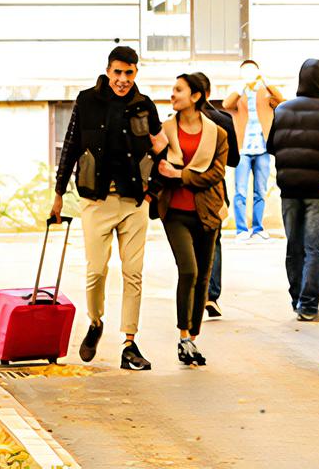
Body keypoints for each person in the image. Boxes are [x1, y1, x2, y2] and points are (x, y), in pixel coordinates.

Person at [50, 44, 160, 370]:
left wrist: (153, 189)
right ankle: (95, 322)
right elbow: (70, 147)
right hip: (96, 201)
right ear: (108, 71)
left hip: (133, 202)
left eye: (129, 73)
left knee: (133, 273)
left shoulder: (144, 106)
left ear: (136, 73)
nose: (123, 79)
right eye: (118, 72)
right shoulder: (88, 101)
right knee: (96, 271)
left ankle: (129, 342)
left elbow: (160, 149)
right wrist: (58, 194)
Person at [150, 72, 229, 368]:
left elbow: (216, 173)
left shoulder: (216, 133)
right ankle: (183, 336)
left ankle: (193, 336)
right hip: (175, 212)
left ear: (195, 96)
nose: (173, 94)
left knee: (204, 277)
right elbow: (155, 165)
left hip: (206, 212)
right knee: (189, 270)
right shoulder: (164, 130)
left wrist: (180, 174)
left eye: (178, 90)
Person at [266, 58, 319, 322]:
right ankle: (309, 305)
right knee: (316, 248)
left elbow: (271, 146)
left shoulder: (282, 110)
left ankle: (296, 301)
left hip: (288, 187)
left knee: (295, 246)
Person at [192, 69, 238, 318]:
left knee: (187, 243)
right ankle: (211, 296)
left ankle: (192, 295)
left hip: (185, 190)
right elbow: (234, 160)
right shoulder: (223, 120)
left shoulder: (179, 121)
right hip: (215, 190)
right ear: (208, 93)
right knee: (213, 242)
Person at [224, 59, 278, 240]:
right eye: (245, 71)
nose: (249, 74)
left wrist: (266, 81)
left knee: (260, 190)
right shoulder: (238, 92)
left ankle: (258, 227)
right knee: (240, 190)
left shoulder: (265, 92)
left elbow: (281, 100)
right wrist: (242, 86)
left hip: (263, 148)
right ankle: (241, 230)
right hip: (242, 149)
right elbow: (226, 104)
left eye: (252, 70)